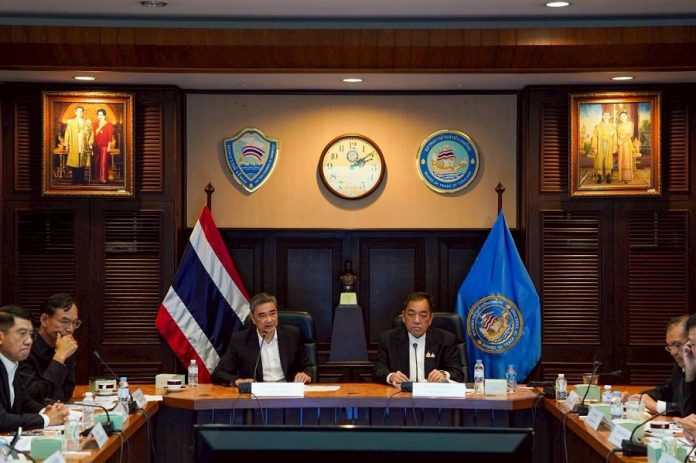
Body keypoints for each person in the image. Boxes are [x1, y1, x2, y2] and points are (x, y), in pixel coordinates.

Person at [211, 292, 313, 386]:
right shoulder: (240, 340)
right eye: (262, 316)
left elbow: (308, 366)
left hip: (288, 391)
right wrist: (237, 381)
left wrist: (306, 374)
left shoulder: (293, 335)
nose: (269, 320)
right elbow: (218, 373)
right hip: (257, 394)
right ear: (253, 318)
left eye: (272, 313)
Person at [373, 292, 464, 387]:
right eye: (411, 314)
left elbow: (458, 373)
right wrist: (391, 376)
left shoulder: (446, 339)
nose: (417, 320)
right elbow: (378, 370)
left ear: (430, 319)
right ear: (403, 316)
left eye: (423, 315)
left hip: (432, 394)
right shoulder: (387, 339)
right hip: (401, 393)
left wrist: (443, 374)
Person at [0, 305, 68, 432]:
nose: (29, 341)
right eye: (22, 334)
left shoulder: (11, 363)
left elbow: (24, 401)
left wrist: (47, 410)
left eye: (31, 334)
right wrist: (46, 419)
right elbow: (1, 420)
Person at [19, 294, 79, 403]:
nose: (70, 329)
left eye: (75, 323)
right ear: (45, 320)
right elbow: (32, 395)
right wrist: (59, 357)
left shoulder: (65, 343)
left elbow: (67, 391)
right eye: (65, 322)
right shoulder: (25, 345)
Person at [629, 315, 688, 415]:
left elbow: (690, 409)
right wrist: (639, 398)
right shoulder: (679, 365)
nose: (673, 352)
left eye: (677, 345)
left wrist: (656, 406)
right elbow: (666, 391)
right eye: (670, 346)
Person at [63, 106, 94, 185]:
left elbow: (91, 133)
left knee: (82, 162)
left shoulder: (87, 122)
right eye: (78, 111)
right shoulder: (71, 122)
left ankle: (81, 180)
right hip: (74, 144)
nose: (80, 113)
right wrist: (66, 144)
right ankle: (75, 180)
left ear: (83, 113)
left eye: (81, 112)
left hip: (84, 145)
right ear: (75, 112)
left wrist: (90, 143)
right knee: (75, 162)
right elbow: (67, 133)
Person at [589, 111, 617, 184]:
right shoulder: (598, 126)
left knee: (608, 160)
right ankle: (599, 176)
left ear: (610, 116)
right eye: (605, 115)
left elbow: (615, 138)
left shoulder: (613, 127)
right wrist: (595, 147)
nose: (606, 116)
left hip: (609, 145)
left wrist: (614, 147)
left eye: (607, 115)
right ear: (602, 116)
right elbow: (594, 137)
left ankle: (608, 176)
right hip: (600, 145)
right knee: (599, 160)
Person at [92, 108, 114, 184]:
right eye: (99, 115)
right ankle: (97, 178)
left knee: (103, 162)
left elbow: (110, 137)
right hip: (96, 145)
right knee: (97, 161)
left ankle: (103, 178)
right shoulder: (95, 124)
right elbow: (93, 134)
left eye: (101, 115)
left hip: (104, 146)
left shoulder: (109, 124)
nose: (100, 116)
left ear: (105, 116)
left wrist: (109, 146)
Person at [616, 110, 636, 182]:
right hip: (621, 144)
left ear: (627, 117)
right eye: (621, 116)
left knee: (627, 158)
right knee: (621, 159)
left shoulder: (630, 124)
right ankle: (621, 177)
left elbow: (630, 134)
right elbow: (617, 135)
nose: (623, 117)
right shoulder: (619, 125)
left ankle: (627, 177)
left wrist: (623, 140)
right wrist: (618, 141)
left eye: (624, 116)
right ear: (620, 118)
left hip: (627, 143)